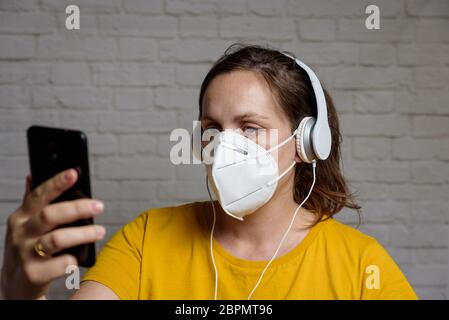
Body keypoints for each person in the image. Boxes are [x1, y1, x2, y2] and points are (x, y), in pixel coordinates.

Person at [0, 44, 418, 300]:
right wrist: (22, 294)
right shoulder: (147, 239)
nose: (225, 146)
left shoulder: (362, 265)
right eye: (213, 128)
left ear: (306, 143)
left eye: (250, 127)